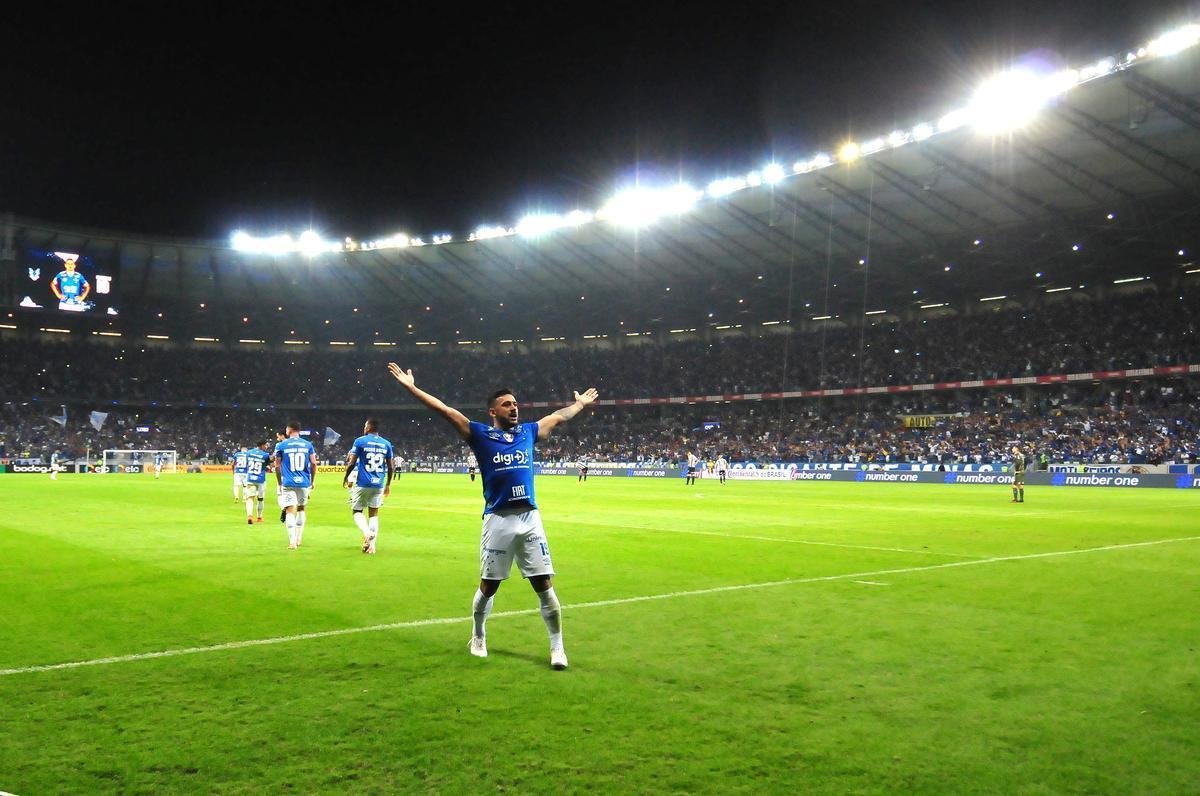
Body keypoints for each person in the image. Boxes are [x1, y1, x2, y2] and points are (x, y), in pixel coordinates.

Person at [387, 362, 598, 671]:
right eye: (507, 405)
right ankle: (478, 635)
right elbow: (447, 411)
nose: (514, 408)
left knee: (545, 585)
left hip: (529, 518)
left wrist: (578, 404)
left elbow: (557, 417)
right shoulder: (480, 434)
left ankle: (557, 648)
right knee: (489, 585)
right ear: (493, 411)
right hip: (498, 519)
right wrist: (412, 388)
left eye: (515, 404)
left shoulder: (528, 432)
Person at [342, 418, 394, 554]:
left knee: (357, 511)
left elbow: (352, 463)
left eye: (365, 425)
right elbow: (390, 466)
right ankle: (372, 547)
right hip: (379, 484)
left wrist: (346, 477)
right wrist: (388, 484)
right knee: (374, 514)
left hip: (363, 483)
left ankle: (367, 533)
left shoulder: (360, 441)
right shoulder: (386, 444)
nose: (364, 427)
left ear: (370, 427)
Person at [274, 423, 317, 549]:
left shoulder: (281, 445)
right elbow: (314, 464)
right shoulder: (308, 445)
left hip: (288, 482)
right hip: (304, 482)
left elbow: (277, 466)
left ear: (289, 430)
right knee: (301, 508)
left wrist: (280, 483)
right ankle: (299, 538)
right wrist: (312, 481)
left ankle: (292, 541)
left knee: (289, 510)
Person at [242, 442, 271, 523]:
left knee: (250, 498)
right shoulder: (265, 455)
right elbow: (268, 466)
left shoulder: (249, 453)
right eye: (265, 445)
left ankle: (250, 516)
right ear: (262, 445)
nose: (266, 446)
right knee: (260, 499)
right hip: (261, 480)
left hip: (250, 478)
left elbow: (248, 463)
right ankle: (259, 517)